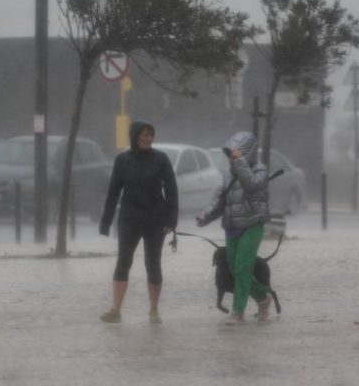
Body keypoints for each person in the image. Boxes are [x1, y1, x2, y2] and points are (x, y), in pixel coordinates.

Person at [99, 119, 178, 324]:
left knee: (153, 263)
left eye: (150, 135)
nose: (147, 139)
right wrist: (106, 222)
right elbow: (113, 191)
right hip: (129, 219)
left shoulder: (161, 159)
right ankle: (115, 310)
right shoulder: (122, 160)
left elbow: (171, 190)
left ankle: (153, 310)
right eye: (143, 135)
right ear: (135, 137)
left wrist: (172, 219)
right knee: (123, 261)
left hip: (155, 220)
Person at [196, 130, 273, 324]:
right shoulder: (228, 175)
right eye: (230, 155)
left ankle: (237, 312)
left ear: (246, 152)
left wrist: (240, 164)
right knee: (235, 269)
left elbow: (252, 186)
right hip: (231, 227)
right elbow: (221, 201)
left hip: (252, 225)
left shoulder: (259, 169)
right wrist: (205, 216)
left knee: (243, 268)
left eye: (235, 154)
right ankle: (264, 297)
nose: (231, 158)